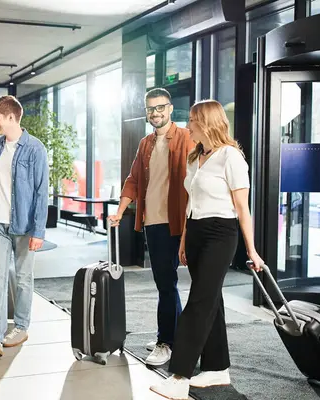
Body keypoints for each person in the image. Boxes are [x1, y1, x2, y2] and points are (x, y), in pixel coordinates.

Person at [150, 100, 264, 400]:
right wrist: (185, 239)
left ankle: (179, 375)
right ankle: (217, 368)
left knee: (199, 301)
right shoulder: (194, 157)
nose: (188, 125)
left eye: (192, 120)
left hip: (220, 234)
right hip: (197, 230)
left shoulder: (231, 157)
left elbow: (243, 208)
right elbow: (191, 202)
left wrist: (252, 249)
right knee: (212, 299)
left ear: (207, 122)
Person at [109, 88, 195, 366]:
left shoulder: (187, 138)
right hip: (154, 223)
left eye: (160, 107)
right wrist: (120, 212)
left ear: (171, 109)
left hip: (181, 222)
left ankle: (167, 341)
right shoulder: (145, 144)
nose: (155, 113)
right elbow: (133, 180)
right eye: (150, 109)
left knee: (183, 284)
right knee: (165, 283)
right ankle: (172, 335)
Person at [0, 95, 49, 358]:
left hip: (24, 226)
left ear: (11, 117)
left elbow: (41, 192)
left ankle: (21, 327)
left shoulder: (35, 149)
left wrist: (39, 231)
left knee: (24, 278)